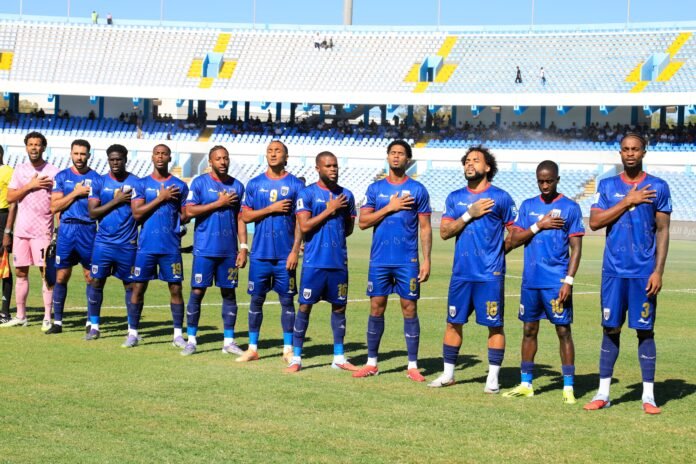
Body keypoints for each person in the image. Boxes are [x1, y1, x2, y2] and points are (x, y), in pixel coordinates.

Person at [584, 133, 671, 414]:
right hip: (614, 271)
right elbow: (595, 222)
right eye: (625, 149)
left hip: (643, 272)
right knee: (610, 328)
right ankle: (603, 394)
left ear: (644, 152)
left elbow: (663, 230)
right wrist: (628, 201)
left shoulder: (658, 187)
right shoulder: (607, 186)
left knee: (644, 330)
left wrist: (658, 271)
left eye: (635, 149)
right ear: (620, 153)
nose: (630, 153)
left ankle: (648, 397)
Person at [428, 146, 516, 393]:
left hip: (490, 274)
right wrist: (469, 214)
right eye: (467, 160)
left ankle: (492, 378)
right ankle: (448, 375)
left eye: (476, 160)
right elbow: (445, 232)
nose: (469, 164)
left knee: (494, 324)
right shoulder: (454, 198)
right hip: (462, 273)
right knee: (453, 322)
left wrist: (498, 252)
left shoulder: (501, 197)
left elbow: (516, 232)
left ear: (487, 167)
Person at [501, 160, 584, 403]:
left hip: (556, 282)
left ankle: (568, 387)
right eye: (541, 181)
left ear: (557, 179)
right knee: (529, 330)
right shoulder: (528, 206)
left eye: (549, 181)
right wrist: (539, 225)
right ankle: (526, 384)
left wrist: (568, 281)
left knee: (563, 331)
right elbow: (514, 239)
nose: (545, 185)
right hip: (531, 281)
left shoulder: (570, 208)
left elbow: (576, 249)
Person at [352, 140, 432, 382]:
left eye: (401, 153)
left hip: (407, 260)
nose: (396, 156)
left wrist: (426, 260)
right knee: (376, 307)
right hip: (380, 260)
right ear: (387, 157)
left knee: (409, 308)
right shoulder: (375, 189)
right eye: (393, 153)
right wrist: (390, 207)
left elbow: (425, 227)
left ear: (408, 159)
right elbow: (363, 222)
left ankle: (412, 365)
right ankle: (372, 363)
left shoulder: (418, 190)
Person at [285, 151, 358, 373]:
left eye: (335, 165)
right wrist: (330, 210)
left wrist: (336, 212)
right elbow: (304, 226)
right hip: (314, 262)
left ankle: (339, 357)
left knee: (339, 308)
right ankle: (296, 358)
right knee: (305, 306)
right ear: (318, 168)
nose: (333, 169)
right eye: (328, 166)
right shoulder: (307, 194)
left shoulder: (347, 195)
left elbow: (348, 229)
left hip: (338, 262)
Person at [239, 140, 304, 363]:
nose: (273, 154)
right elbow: (245, 216)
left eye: (278, 151)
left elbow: (300, 221)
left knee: (287, 301)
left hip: (285, 255)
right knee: (256, 300)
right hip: (260, 254)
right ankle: (252, 348)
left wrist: (295, 250)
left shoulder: (296, 185)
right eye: (270, 151)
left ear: (286, 156)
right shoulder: (255, 184)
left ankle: (287, 349)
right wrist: (271, 209)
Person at [181, 145, 247, 356]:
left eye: (225, 158)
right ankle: (191, 340)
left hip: (229, 251)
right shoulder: (199, 183)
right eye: (218, 158)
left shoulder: (237, 186)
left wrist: (243, 247)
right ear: (210, 162)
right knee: (197, 292)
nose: (223, 162)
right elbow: (189, 211)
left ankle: (229, 341)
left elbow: (240, 218)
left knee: (229, 293)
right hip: (205, 249)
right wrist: (219, 203)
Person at [128, 144, 190, 348]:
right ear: (152, 157)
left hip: (170, 247)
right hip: (146, 246)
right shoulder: (141, 184)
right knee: (138, 287)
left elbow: (185, 214)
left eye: (164, 154)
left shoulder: (180, 185)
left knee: (176, 288)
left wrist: (179, 223)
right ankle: (133, 333)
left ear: (170, 158)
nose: (161, 157)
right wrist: (161, 198)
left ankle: (178, 335)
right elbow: (137, 213)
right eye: (157, 153)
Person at [1, 132, 58, 330]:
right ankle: (21, 316)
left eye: (38, 144)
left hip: (43, 231)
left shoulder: (53, 172)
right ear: (26, 147)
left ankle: (47, 317)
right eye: (31, 144)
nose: (34, 147)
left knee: (46, 273)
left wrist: (58, 230)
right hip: (21, 231)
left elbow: (57, 203)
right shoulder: (20, 170)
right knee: (20, 272)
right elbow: (10, 197)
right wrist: (30, 185)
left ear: (44, 147)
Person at [44, 139, 101, 335]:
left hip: (88, 230)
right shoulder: (62, 177)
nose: (79, 157)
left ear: (89, 155)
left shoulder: (97, 178)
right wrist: (75, 193)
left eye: (83, 154)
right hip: (67, 230)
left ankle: (91, 321)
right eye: (76, 153)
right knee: (61, 276)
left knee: (90, 276)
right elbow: (54, 206)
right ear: (71, 154)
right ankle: (57, 322)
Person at [84, 144, 140, 341]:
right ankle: (94, 326)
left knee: (130, 285)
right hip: (104, 243)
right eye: (112, 159)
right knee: (96, 281)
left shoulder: (136, 182)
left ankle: (132, 330)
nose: (115, 163)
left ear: (125, 160)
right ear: (108, 160)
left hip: (127, 244)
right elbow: (92, 213)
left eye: (119, 159)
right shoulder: (99, 182)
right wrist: (116, 200)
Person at [0, 146, 16, 323]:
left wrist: (8, 231)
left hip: (2, 217)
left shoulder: (8, 172)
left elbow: (13, 203)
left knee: (3, 264)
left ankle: (4, 311)